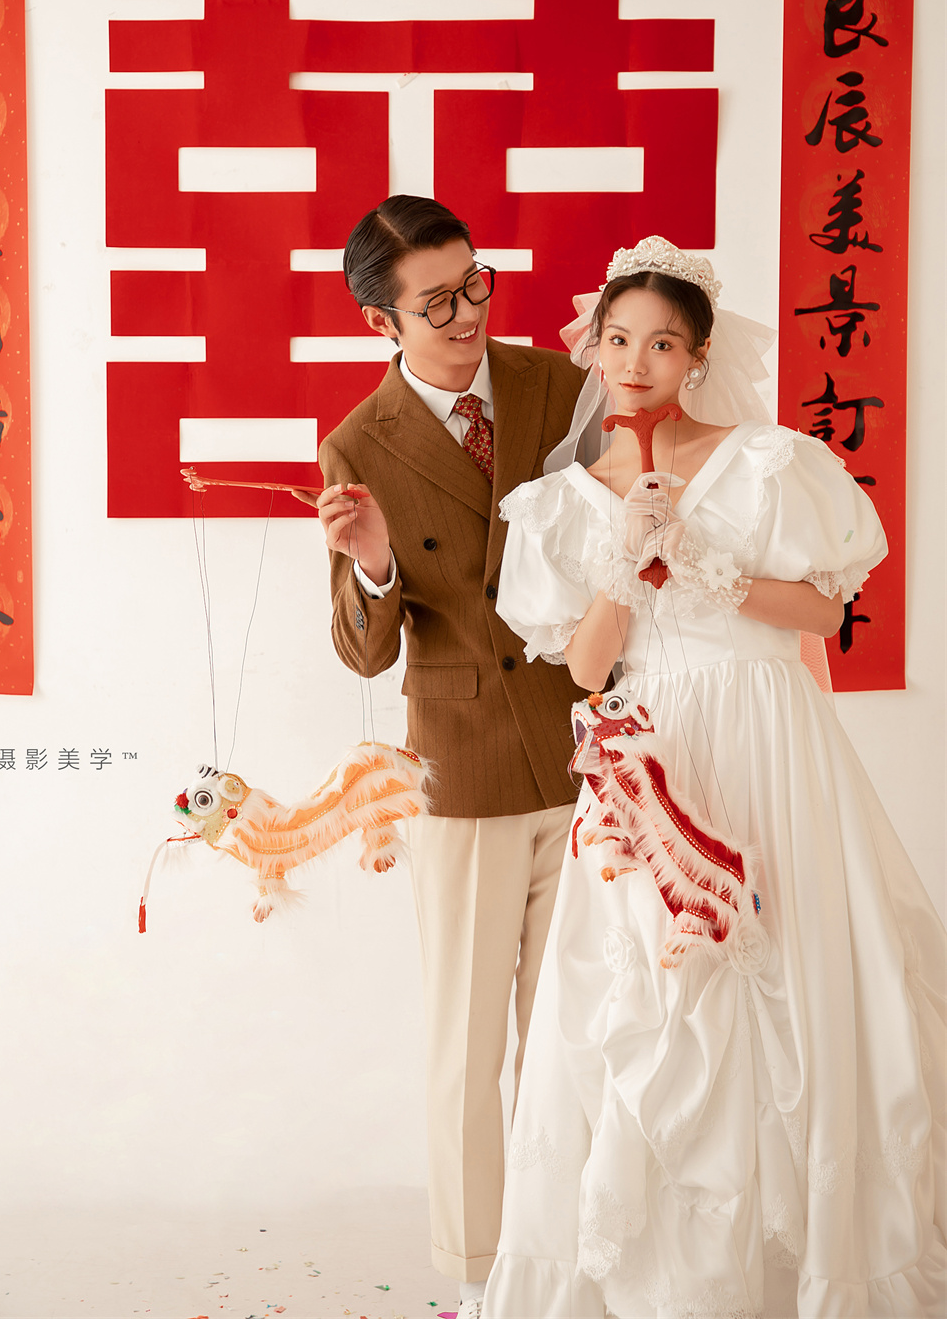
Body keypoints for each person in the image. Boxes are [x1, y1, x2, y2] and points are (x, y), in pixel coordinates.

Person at [483, 236, 946, 1318]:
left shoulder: (770, 462)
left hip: (769, 738)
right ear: (591, 350)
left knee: (796, 965)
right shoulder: (562, 502)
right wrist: (627, 559)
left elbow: (823, 610)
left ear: (699, 356)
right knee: (655, 985)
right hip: (650, 751)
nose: (634, 363)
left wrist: (702, 565)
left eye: (662, 344)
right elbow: (584, 668)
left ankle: (816, 1249)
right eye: (617, 340)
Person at [309, 195, 591, 1319]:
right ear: (380, 322)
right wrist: (375, 563)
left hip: (587, 747)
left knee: (580, 1028)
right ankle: (480, 1274)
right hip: (464, 768)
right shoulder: (357, 442)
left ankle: (578, 1252)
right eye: (437, 302)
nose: (469, 312)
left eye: (475, 284)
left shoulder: (558, 387)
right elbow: (360, 650)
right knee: (468, 1041)